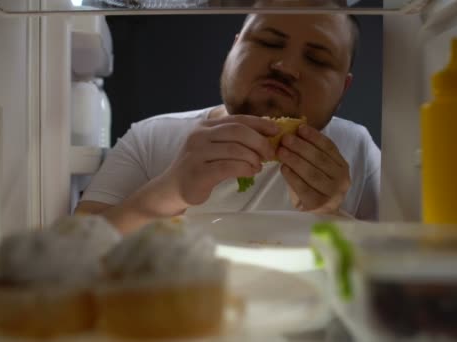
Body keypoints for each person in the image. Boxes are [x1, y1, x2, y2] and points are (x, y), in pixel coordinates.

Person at [76, 13, 381, 234]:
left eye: (317, 60)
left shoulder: (357, 149)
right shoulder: (151, 137)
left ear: (343, 88)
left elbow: (404, 276)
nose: (286, 67)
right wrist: (171, 190)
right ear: (234, 49)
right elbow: (74, 255)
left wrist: (333, 215)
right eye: (267, 41)